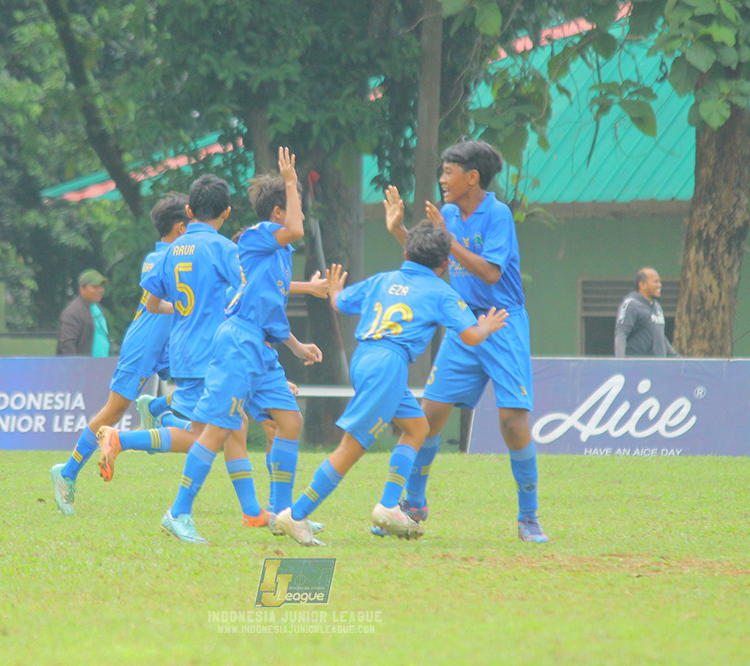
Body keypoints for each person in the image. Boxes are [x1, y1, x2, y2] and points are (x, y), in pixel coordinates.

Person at [120, 147, 322, 545]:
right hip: (237, 344)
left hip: (261, 348)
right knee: (217, 430)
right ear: (278, 213)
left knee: (290, 421)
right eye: (293, 204)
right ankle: (177, 512)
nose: (297, 212)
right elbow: (297, 228)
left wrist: (296, 347)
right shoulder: (259, 235)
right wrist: (291, 182)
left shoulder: (278, 252)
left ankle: (282, 514)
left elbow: (268, 307)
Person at [273, 224, 507, 546]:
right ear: (445, 265)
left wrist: (337, 290)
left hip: (366, 359)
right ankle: (295, 515)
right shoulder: (442, 292)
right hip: (388, 365)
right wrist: (488, 326)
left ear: (406, 253)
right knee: (350, 449)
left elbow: (340, 304)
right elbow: (470, 336)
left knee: (417, 427)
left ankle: (388, 505)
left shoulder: (383, 280)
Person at [382, 139, 549, 543]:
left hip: (502, 322)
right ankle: (414, 504)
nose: (442, 179)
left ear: (472, 177)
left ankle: (528, 516)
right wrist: (399, 230)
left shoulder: (497, 215)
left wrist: (447, 236)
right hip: (462, 324)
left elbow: (490, 274)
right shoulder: (450, 215)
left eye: (449, 171)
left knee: (512, 421)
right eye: (442, 171)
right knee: (430, 414)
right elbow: (428, 259)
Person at [49, 193, 194, 515]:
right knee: (113, 412)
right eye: (194, 221)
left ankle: (154, 406)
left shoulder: (185, 252)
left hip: (170, 343)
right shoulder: (159, 259)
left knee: (202, 388)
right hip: (144, 343)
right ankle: (67, 472)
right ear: (181, 227)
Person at [614, 267, 679, 357]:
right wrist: (620, 361)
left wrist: (676, 358)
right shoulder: (631, 304)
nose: (659, 285)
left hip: (658, 367)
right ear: (642, 285)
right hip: (638, 367)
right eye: (655, 281)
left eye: (660, 282)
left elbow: (660, 335)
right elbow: (621, 333)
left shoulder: (657, 307)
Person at [56, 269, 110, 357]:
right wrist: (76, 368)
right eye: (95, 287)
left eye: (101, 286)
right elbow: (67, 345)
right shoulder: (73, 312)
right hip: (85, 368)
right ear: (82, 289)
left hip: (102, 366)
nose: (100, 290)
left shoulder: (97, 307)